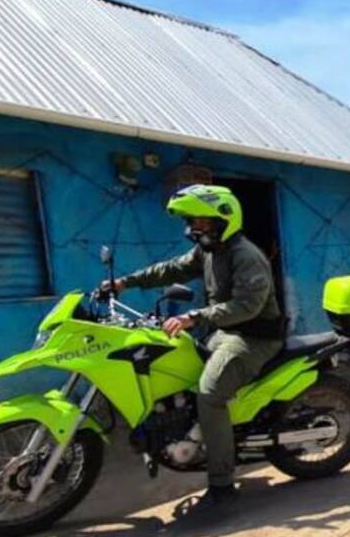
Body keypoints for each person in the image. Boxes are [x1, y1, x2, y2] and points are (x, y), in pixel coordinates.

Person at [105, 184, 284, 519]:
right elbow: (172, 269)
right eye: (191, 221)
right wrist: (124, 283)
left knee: (209, 394)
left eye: (200, 221)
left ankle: (222, 486)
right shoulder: (209, 251)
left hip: (252, 337)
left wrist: (194, 317)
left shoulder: (246, 255)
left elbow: (247, 305)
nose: (193, 228)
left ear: (223, 218)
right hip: (224, 331)